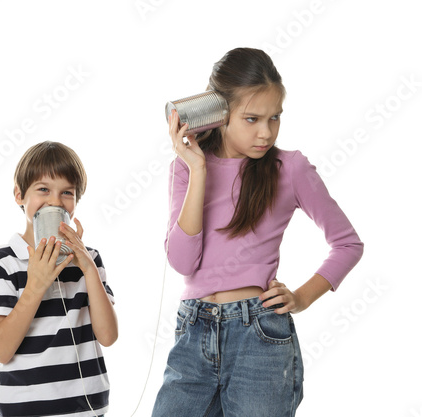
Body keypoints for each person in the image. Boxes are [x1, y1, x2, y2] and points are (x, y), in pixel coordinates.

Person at [152, 48, 364, 416]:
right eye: (251, 119)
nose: (265, 133)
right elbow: (184, 263)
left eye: (274, 118)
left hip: (259, 335)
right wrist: (199, 170)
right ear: (219, 113)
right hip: (194, 329)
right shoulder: (186, 168)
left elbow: (347, 243)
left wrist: (300, 298)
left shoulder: (289, 168)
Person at [0, 141, 118, 417]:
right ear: (20, 195)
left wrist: (88, 268)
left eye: (67, 192)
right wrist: (35, 285)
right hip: (26, 409)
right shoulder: (3, 263)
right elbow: (1, 350)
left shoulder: (89, 258)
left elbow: (108, 336)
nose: (55, 201)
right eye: (43, 189)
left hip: (88, 409)